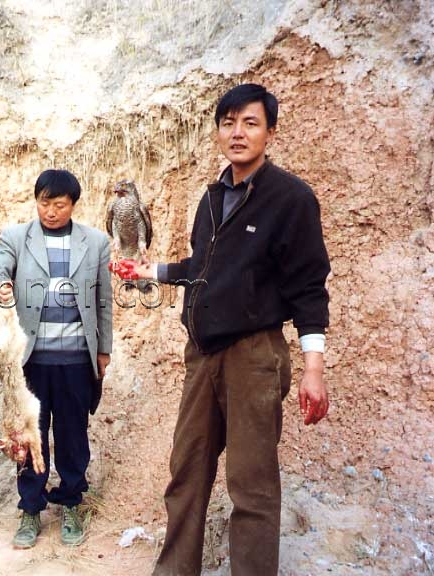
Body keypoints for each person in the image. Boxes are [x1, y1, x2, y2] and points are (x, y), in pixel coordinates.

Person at [131, 84, 331, 575]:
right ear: (218, 131)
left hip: (254, 356)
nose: (237, 133)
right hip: (203, 355)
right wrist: (151, 271)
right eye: (228, 122)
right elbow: (203, 266)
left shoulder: (291, 199)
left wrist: (313, 368)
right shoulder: (212, 196)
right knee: (187, 472)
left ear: (271, 132)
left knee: (251, 483)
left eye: (250, 123)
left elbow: (309, 288)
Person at [0, 169, 113, 549]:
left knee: (73, 434)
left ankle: (71, 501)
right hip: (32, 359)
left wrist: (103, 350)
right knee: (29, 435)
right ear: (35, 200)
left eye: (59, 205)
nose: (51, 212)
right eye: (44, 203)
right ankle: (30, 508)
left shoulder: (95, 242)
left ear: (73, 205)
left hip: (76, 358)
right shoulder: (16, 237)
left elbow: (103, 300)